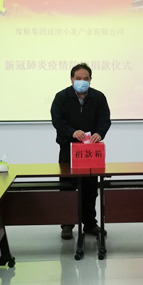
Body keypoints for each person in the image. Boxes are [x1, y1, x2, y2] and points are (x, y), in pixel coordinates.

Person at [51, 63, 111, 240]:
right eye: (78, 78)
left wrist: (99, 133)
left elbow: (105, 119)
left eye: (86, 78)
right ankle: (67, 224)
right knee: (67, 187)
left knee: (90, 188)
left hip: (90, 151)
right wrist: (72, 132)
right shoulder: (61, 97)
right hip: (68, 150)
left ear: (90, 79)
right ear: (71, 79)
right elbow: (57, 120)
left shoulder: (98, 97)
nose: (82, 81)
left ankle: (90, 224)